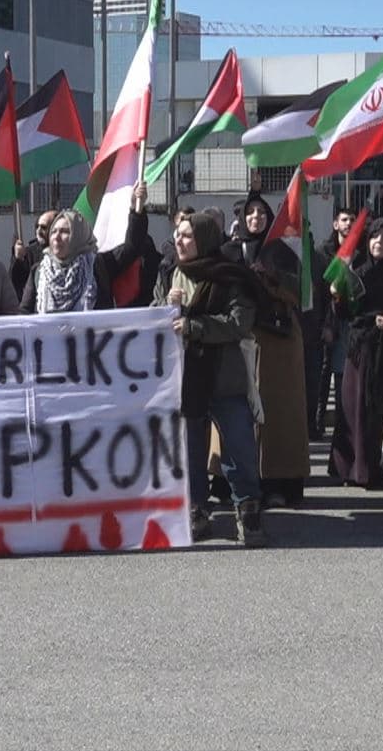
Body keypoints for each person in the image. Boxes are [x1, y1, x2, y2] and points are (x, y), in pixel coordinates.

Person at [155, 212, 267, 546]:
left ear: (204, 239)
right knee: (189, 449)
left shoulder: (229, 276)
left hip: (223, 376)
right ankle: (197, 511)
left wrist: (195, 326)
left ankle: (247, 509)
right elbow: (155, 315)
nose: (179, 241)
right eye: (177, 235)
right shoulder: (170, 274)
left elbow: (238, 322)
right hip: (185, 378)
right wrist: (166, 306)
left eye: (187, 236)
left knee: (238, 446)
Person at [226, 191, 311, 508]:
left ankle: (278, 481)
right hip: (239, 337)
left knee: (278, 412)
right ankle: (240, 483)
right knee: (239, 411)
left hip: (278, 340)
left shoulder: (283, 252)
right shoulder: (231, 251)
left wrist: (272, 278)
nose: (256, 218)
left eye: (262, 213)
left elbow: (300, 293)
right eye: (251, 213)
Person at [331, 218, 383, 487]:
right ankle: (354, 469)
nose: (379, 243)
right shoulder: (358, 271)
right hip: (361, 349)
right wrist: (338, 296)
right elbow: (346, 313)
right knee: (354, 408)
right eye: (375, 237)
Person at [21, 184, 147, 313]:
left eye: (65, 231)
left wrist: (136, 209)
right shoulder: (39, 271)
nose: (56, 237)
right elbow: (24, 312)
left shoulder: (97, 265)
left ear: (78, 235)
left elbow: (132, 247)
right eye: (53, 231)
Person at [9, 209, 56, 296]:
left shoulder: (65, 251)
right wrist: (18, 259)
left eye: (43, 227)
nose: (39, 230)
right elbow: (16, 283)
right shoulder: (29, 252)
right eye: (37, 226)